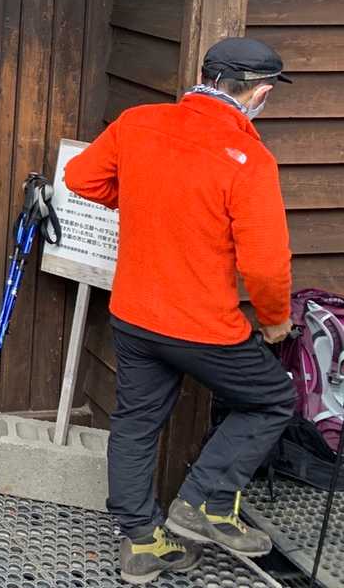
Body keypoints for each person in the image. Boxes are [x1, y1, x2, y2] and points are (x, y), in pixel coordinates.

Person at [65, 36, 296, 585]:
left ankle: (142, 542)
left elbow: (80, 177)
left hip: (134, 314)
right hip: (203, 325)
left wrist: (144, 198)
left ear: (207, 77)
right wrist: (275, 322)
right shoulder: (250, 159)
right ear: (260, 93)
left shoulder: (138, 122)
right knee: (272, 400)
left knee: (136, 422)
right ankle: (204, 502)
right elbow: (265, 265)